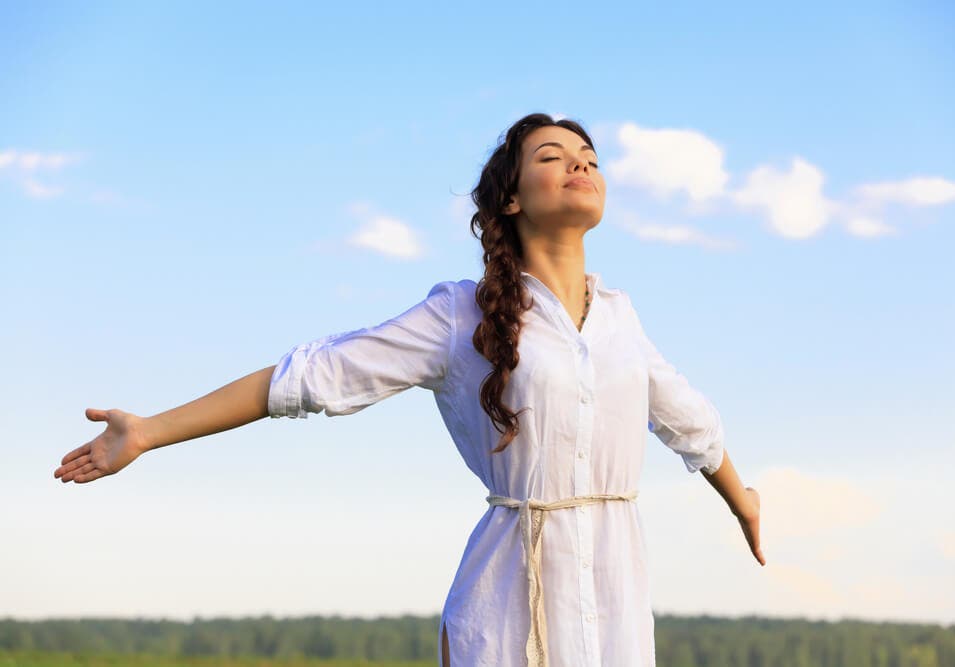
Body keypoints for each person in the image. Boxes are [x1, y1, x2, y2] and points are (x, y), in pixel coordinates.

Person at [54, 112, 764, 667]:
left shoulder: (619, 319)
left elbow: (691, 424)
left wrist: (744, 501)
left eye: (589, 157)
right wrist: (149, 430)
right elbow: (313, 376)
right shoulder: (460, 314)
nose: (579, 162)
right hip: (510, 607)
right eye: (551, 155)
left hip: (614, 602)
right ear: (511, 198)